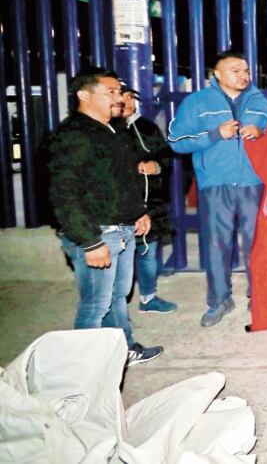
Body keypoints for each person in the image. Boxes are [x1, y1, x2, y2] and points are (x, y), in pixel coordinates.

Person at [46, 69, 164, 365]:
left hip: (122, 227)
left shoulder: (115, 130)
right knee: (96, 303)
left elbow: (123, 180)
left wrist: (139, 213)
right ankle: (82, 371)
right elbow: (64, 194)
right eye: (110, 91)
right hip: (98, 233)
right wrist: (89, 242)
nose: (118, 97)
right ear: (84, 95)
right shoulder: (72, 135)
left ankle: (124, 349)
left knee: (117, 297)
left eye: (118, 91)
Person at [168, 52, 267, 327]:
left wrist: (263, 134)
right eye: (235, 70)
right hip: (216, 185)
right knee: (217, 245)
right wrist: (216, 134)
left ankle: (260, 295)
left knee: (258, 244)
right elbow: (176, 141)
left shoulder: (261, 103)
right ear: (216, 74)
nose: (244, 75)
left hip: (254, 183)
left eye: (246, 70)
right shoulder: (197, 103)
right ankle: (219, 300)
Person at [117, 85, 177, 314]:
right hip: (119, 206)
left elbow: (166, 157)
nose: (129, 102)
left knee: (148, 252)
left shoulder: (147, 128)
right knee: (119, 258)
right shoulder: (106, 131)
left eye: (131, 97)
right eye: (123, 98)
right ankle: (115, 305)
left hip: (150, 203)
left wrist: (157, 166)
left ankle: (148, 297)